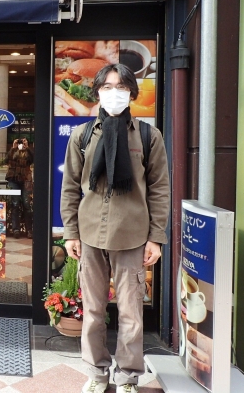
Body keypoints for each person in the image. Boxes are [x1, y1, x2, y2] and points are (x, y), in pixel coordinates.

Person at [60, 64, 170, 393]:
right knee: (93, 311)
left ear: (132, 93)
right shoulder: (82, 135)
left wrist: (155, 238)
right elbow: (70, 187)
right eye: (107, 87)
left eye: (121, 87)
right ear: (97, 93)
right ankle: (97, 374)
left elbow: (159, 189)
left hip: (132, 235)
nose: (114, 93)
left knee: (131, 313)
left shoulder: (148, 136)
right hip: (90, 234)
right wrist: (71, 232)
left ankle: (127, 378)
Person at [5, 137, 34, 239]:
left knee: (27, 205)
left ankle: (29, 230)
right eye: (20, 143)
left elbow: (33, 159)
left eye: (23, 142)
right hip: (13, 179)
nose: (21, 144)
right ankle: (16, 229)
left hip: (26, 180)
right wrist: (13, 148)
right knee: (15, 204)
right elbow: (6, 160)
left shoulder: (28, 153)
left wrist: (28, 147)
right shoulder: (13, 151)